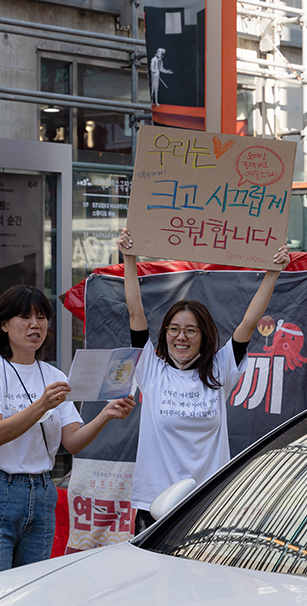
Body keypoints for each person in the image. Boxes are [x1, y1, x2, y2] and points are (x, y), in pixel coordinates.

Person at [117, 227, 289, 534]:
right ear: (165, 334)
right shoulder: (151, 370)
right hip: (154, 502)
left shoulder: (220, 369)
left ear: (203, 336)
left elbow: (249, 322)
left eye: (190, 330)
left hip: (207, 505)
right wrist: (130, 258)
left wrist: (272, 273)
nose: (181, 337)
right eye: (174, 329)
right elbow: (134, 312)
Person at [0, 284, 135, 581]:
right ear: (3, 324)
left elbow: (73, 442)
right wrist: (41, 405)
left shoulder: (54, 376)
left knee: (30, 592)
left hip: (42, 494)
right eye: (24, 317)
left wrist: (106, 414)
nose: (35, 325)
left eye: (41, 317)